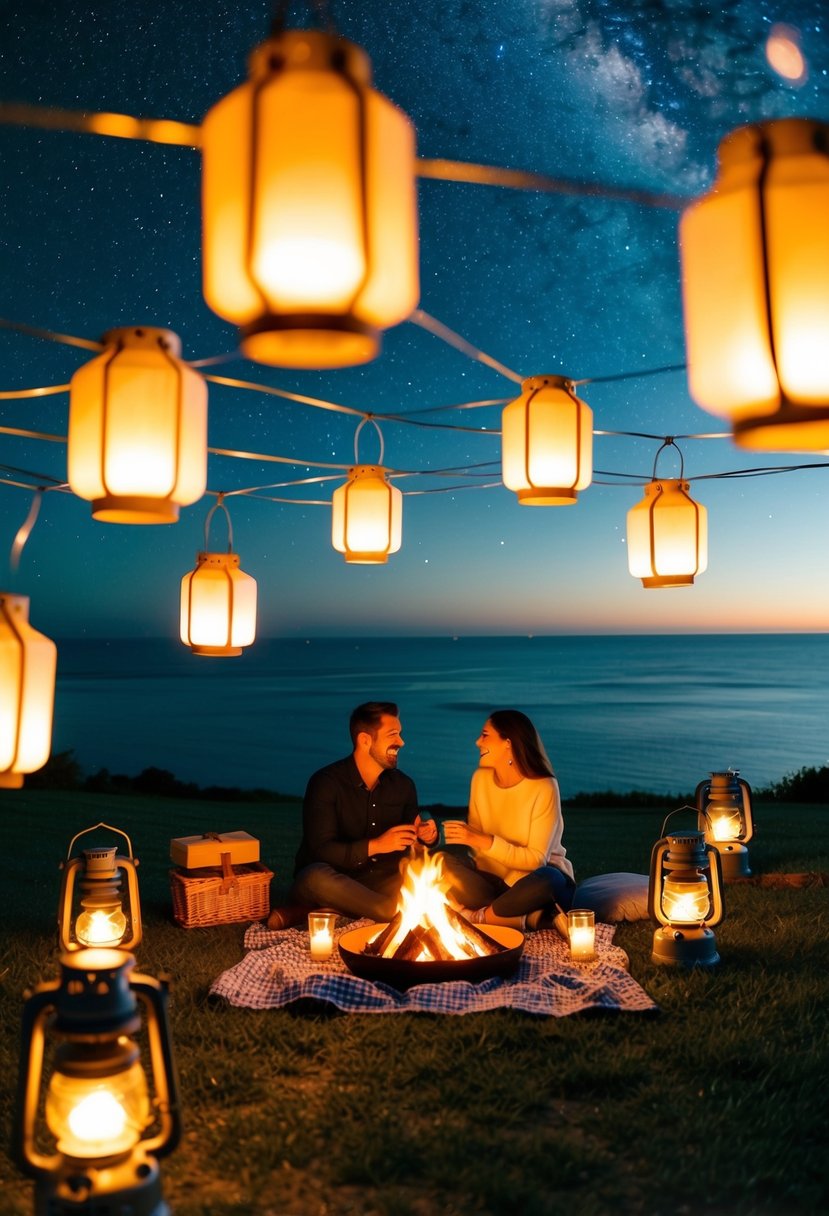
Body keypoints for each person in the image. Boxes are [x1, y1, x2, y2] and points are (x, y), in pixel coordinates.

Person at [268, 701, 438, 928]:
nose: (401, 742)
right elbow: (321, 849)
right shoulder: (326, 782)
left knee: (433, 875)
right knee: (317, 877)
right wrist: (376, 845)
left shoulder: (403, 785)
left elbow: (417, 831)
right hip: (329, 877)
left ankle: (332, 911)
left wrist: (428, 836)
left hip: (379, 881)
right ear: (365, 740)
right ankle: (391, 911)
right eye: (393, 734)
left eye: (400, 734)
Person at [441, 709, 575, 931]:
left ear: (507, 743)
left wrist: (486, 841)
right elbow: (475, 845)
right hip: (493, 885)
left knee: (548, 879)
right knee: (441, 861)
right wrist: (439, 833)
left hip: (534, 882)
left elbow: (536, 861)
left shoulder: (543, 786)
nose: (477, 742)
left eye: (485, 735)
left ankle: (475, 916)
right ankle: (528, 918)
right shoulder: (480, 779)